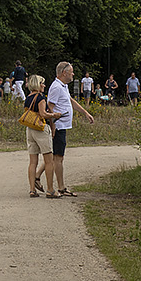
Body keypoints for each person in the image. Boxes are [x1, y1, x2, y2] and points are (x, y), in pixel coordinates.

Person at [44, 61, 95, 197]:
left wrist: (85, 112)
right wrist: (53, 125)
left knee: (56, 156)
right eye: (71, 71)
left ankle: (37, 177)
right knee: (58, 158)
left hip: (62, 126)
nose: (73, 74)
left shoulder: (63, 86)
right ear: (64, 73)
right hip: (58, 126)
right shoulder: (56, 87)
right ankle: (61, 187)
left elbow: (70, 101)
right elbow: (50, 107)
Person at [23, 74, 64, 197]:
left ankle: (32, 189)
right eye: (42, 83)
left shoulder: (28, 97)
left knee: (33, 161)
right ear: (37, 84)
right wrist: (54, 115)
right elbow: (43, 114)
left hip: (30, 129)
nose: (44, 85)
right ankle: (50, 190)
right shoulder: (40, 97)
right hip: (40, 129)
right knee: (49, 160)